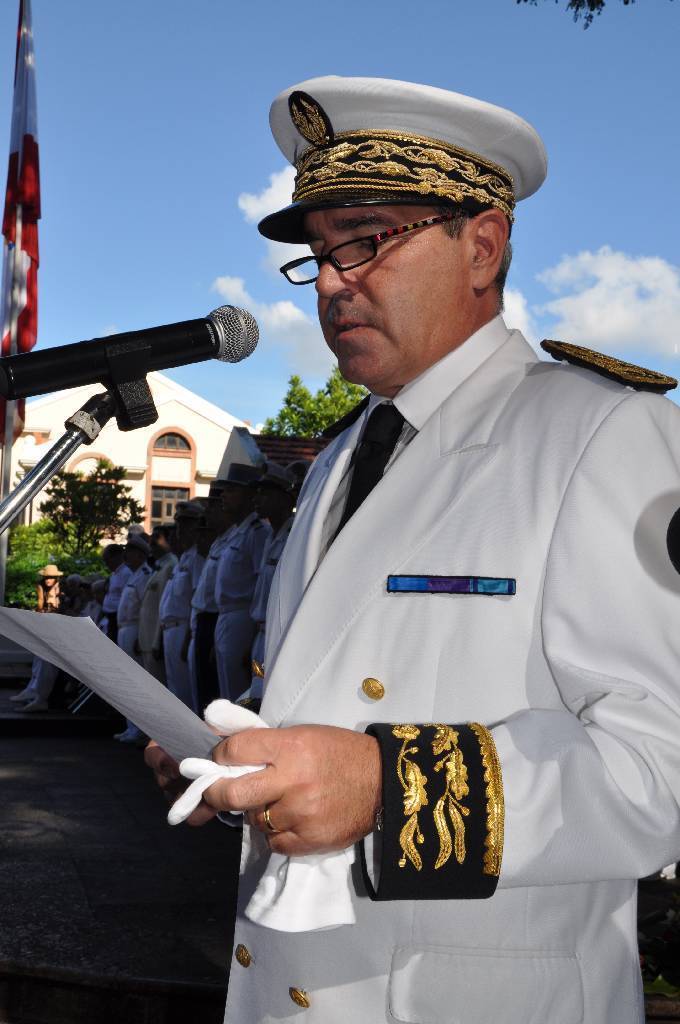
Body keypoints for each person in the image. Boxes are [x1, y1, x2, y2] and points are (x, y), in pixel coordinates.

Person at [147, 77, 680, 1023]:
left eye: (365, 241)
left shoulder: (604, 431)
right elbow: (352, 681)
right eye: (319, 255)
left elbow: (661, 766)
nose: (332, 283)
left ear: (483, 246)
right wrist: (247, 757)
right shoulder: (340, 457)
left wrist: (391, 791)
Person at [214, 466, 271, 701]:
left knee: (240, 692)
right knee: (226, 690)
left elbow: (261, 581)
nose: (223, 496)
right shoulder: (236, 532)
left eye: (231, 490)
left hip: (243, 617)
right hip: (225, 616)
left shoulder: (258, 532)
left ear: (248, 495)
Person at [248, 461, 302, 700]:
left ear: (285, 498)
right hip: (261, 632)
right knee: (254, 696)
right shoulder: (270, 535)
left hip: (279, 633)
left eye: (265, 493)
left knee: (267, 699)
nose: (257, 499)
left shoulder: (294, 535)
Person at [158, 500, 205, 707]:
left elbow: (196, 600)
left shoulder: (197, 557)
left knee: (185, 690)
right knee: (174, 689)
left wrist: (188, 636)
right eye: (179, 525)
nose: (180, 531)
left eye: (186, 525)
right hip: (170, 629)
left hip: (183, 628)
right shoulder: (183, 559)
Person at [114, 534, 152, 743]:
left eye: (129, 551)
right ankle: (131, 727)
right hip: (124, 629)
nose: (126, 555)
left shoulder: (144, 574)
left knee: (136, 682)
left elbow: (144, 607)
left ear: (140, 554)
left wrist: (140, 635)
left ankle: (139, 729)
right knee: (126, 681)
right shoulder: (134, 574)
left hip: (134, 628)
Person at [11, 564, 63, 711]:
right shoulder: (42, 587)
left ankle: (40, 697)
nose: (48, 580)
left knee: (46, 659)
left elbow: (59, 610)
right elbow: (41, 606)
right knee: (38, 655)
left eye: (51, 577)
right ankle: (32, 689)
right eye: (46, 577)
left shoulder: (60, 590)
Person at [137, 524, 178, 683]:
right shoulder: (159, 566)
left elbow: (165, 607)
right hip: (147, 639)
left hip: (155, 641)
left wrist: (157, 641)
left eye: (157, 538)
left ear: (169, 541)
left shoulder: (171, 566)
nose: (151, 542)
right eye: (151, 538)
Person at [101, 543, 131, 642]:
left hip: (118, 617)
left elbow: (127, 597)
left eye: (107, 559)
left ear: (117, 557)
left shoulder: (126, 572)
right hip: (111, 618)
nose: (106, 563)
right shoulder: (114, 574)